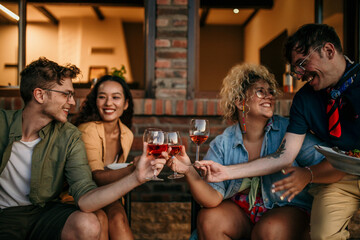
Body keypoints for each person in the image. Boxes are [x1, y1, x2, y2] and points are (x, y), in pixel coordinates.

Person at [197, 24, 360, 240]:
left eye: (302, 64)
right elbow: (284, 155)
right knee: (323, 237)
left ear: (328, 51)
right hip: (342, 178)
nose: (300, 75)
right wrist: (227, 173)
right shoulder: (304, 100)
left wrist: (309, 175)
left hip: (333, 174)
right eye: (296, 69)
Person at [0, 57, 166, 240]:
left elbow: (86, 197)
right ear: (39, 95)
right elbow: (97, 176)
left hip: (44, 212)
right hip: (5, 215)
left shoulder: (69, 136)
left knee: (88, 223)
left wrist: (137, 177)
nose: (72, 102)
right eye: (66, 94)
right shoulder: (2, 124)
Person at [166, 63, 324, 240]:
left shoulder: (290, 131)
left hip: (287, 209)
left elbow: (326, 161)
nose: (269, 96)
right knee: (208, 219)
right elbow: (212, 199)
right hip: (243, 213)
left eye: (270, 92)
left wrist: (307, 174)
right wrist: (189, 170)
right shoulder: (223, 143)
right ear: (240, 101)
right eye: (260, 91)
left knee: (269, 230)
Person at [71, 74, 135, 240]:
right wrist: (135, 169)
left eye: (116, 97)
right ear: (95, 102)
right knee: (100, 220)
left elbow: (115, 177)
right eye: (102, 97)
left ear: (126, 103)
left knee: (119, 219)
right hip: (79, 196)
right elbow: (96, 177)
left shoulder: (127, 134)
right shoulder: (88, 130)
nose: (108, 103)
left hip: (108, 194)